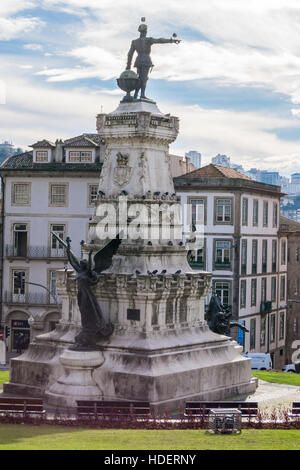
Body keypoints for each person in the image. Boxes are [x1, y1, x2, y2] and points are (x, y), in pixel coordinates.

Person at [126, 18, 180, 100]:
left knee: (139, 79)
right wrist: (171, 40)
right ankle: (142, 95)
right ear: (146, 31)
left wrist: (128, 66)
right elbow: (160, 40)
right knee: (144, 79)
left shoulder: (134, 42)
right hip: (146, 60)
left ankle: (136, 95)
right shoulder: (148, 40)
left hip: (138, 61)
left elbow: (130, 54)